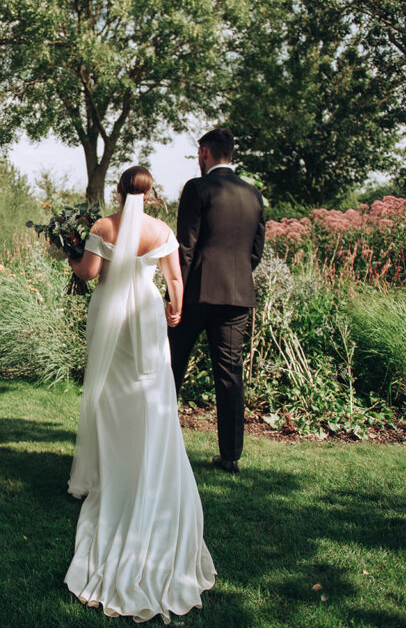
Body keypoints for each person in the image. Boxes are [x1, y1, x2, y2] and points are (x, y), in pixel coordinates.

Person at [65, 166, 216, 623]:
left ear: (118, 189)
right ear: (151, 193)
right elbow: (174, 281)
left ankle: (107, 466)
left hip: (111, 314)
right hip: (146, 316)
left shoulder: (102, 227)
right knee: (149, 390)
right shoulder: (162, 229)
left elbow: (90, 274)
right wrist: (174, 311)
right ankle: (141, 452)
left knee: (109, 391)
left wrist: (72, 254)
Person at [167, 128, 265, 474]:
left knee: (171, 368)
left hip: (196, 295)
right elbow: (255, 253)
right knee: (229, 375)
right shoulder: (254, 195)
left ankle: (160, 446)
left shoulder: (197, 188)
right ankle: (230, 456)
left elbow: (186, 248)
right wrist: (235, 276)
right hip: (237, 296)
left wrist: (174, 298)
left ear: (205, 153)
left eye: (198, 153)